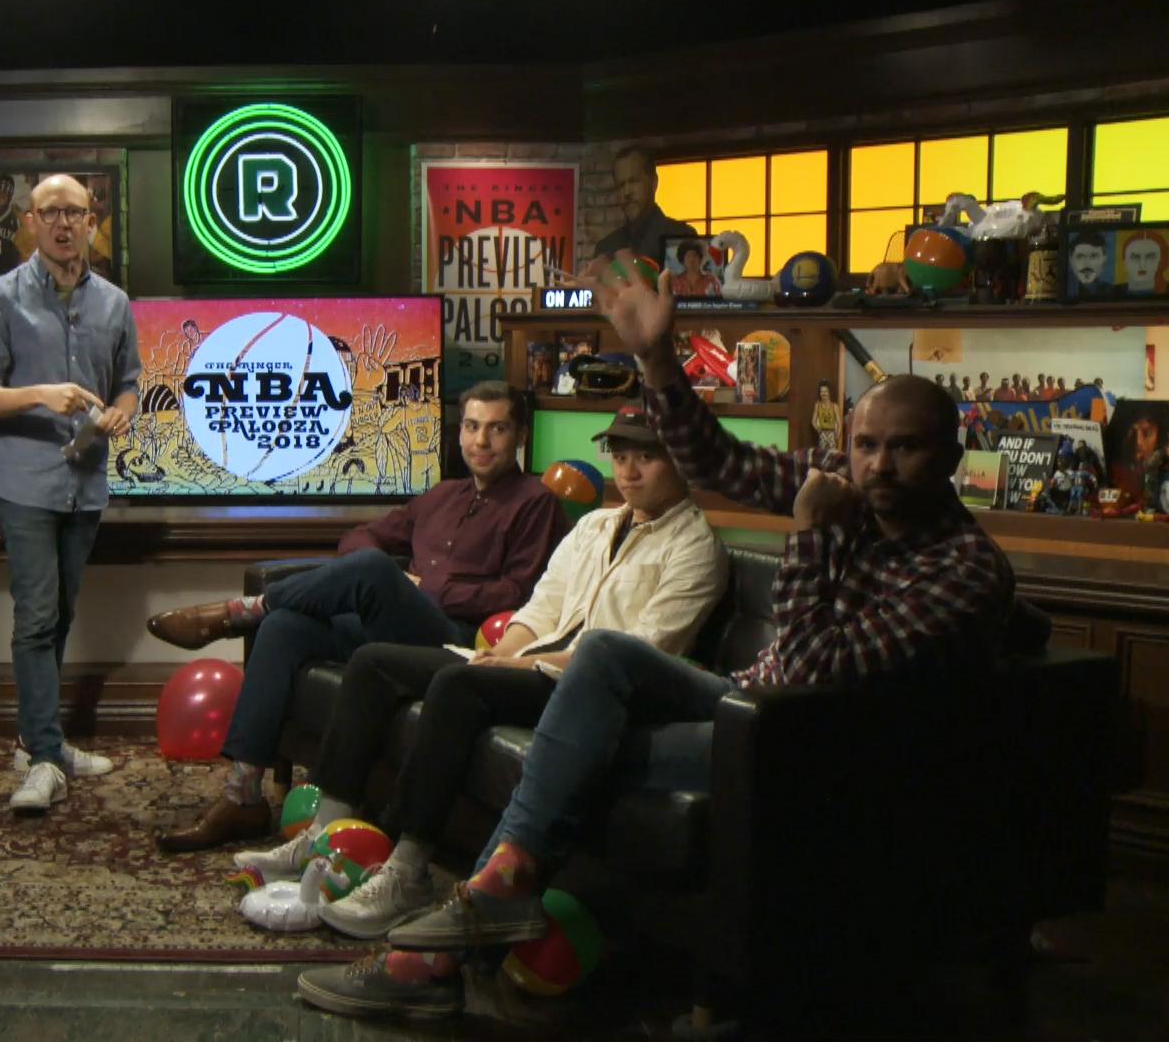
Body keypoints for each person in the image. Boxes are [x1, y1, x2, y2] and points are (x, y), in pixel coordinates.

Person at [297, 254, 1015, 1021]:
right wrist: (656, 357)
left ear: (950, 458)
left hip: (819, 744)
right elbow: (715, 461)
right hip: (745, 702)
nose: (877, 465)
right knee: (605, 656)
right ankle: (494, 897)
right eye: (866, 444)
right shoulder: (847, 485)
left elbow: (811, 672)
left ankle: (441, 953)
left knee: (573, 749)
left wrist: (809, 535)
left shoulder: (963, 570)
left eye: (904, 448)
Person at [237, 405, 727, 939]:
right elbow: (540, 606)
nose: (628, 471)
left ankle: (407, 870)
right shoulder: (594, 525)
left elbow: (644, 651)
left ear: (681, 461)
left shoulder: (695, 546)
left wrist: (516, 664)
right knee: (375, 662)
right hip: (525, 659)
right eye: (621, 456)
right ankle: (324, 831)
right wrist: (502, 652)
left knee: (457, 685)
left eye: (646, 458)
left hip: (581, 689)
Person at [147, 382, 567, 851]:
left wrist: (423, 588)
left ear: (520, 436)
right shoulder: (442, 495)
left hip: (461, 642)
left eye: (497, 429)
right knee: (285, 627)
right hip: (395, 628)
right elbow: (360, 537)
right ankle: (242, 796)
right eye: (471, 427)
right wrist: (396, 583)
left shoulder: (536, 503)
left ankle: (240, 611)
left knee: (372, 572)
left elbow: (518, 591)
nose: (481, 441)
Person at [0, 174, 142, 813]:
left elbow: (129, 383)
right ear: (30, 222)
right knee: (37, 616)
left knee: (60, 615)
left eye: (74, 212)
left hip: (85, 482)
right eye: (50, 212)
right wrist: (42, 393)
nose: (64, 223)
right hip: (24, 482)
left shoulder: (114, 303)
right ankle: (43, 758)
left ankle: (40, 740)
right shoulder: (0, 298)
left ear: (92, 222)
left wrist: (121, 411)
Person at [588, 146, 698, 271]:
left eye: (634, 181)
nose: (627, 192)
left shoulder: (681, 237)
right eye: (621, 185)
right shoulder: (606, 248)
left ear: (654, 182)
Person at [1120, 229, 1167, 295]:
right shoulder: (1111, 291)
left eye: (1150, 257)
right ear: (1124, 260)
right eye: (1135, 257)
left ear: (1160, 260)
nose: (1142, 265)